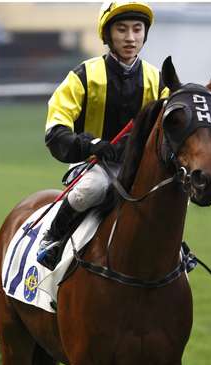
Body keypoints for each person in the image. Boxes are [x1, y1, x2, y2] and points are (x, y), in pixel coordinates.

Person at [37, 0, 169, 270]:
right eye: (122, 30)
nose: (130, 38)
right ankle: (53, 238)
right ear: (107, 34)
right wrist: (92, 145)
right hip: (93, 164)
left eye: (137, 29)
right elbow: (56, 130)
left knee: (167, 193)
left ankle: (176, 250)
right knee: (92, 189)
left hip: (137, 168)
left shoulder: (157, 80)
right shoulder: (83, 75)